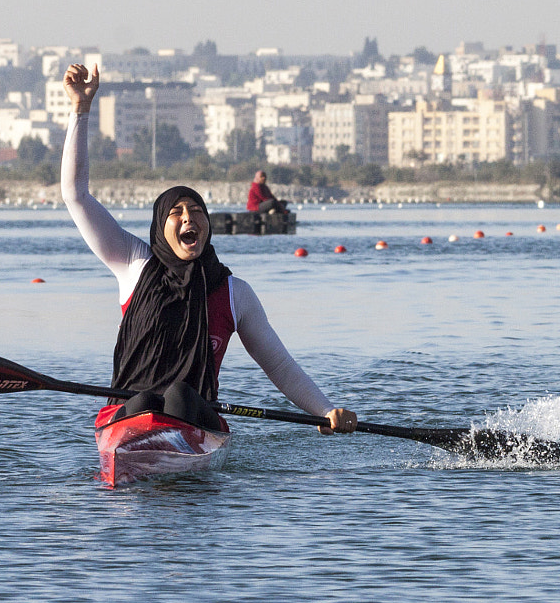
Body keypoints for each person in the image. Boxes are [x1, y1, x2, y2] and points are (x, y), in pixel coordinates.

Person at [60, 62, 356, 435]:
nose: (188, 219)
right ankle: (142, 434)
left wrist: (325, 410)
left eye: (197, 211)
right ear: (159, 227)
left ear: (207, 226)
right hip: (128, 418)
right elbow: (76, 195)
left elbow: (279, 366)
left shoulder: (235, 294)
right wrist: (80, 110)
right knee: (145, 401)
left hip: (197, 420)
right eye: (176, 212)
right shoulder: (133, 264)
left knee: (180, 396)